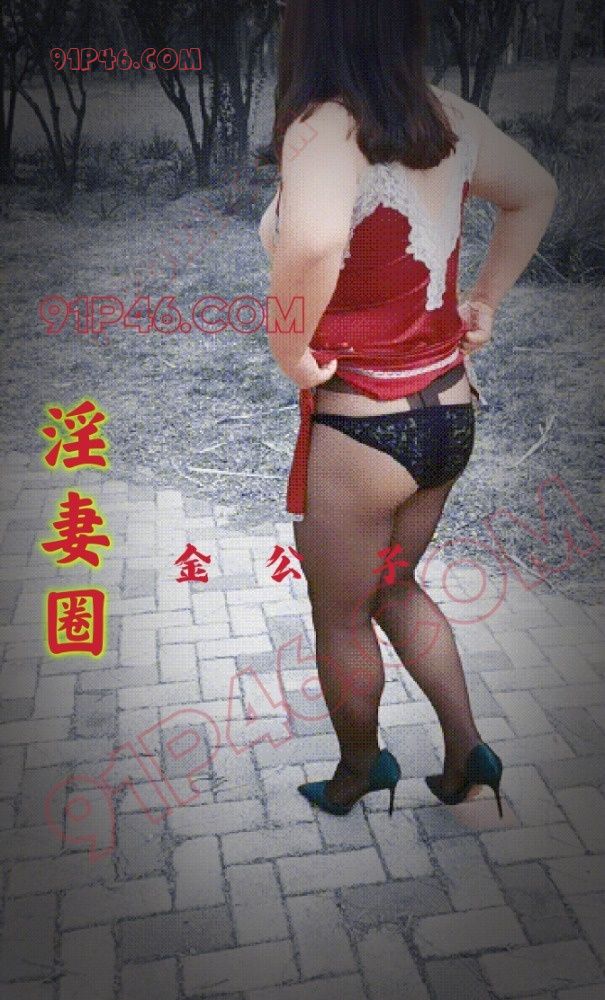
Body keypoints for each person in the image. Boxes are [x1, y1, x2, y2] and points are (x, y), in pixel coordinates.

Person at [258, 0, 558, 818]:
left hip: (362, 429)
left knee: (340, 616)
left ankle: (360, 770)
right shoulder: (445, 116)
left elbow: (313, 241)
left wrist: (289, 348)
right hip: (446, 415)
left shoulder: (324, 124)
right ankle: (467, 753)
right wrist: (484, 300)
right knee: (393, 588)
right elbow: (533, 191)